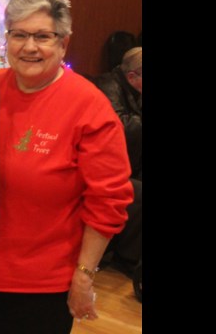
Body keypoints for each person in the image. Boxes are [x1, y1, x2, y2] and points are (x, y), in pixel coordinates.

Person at [0, 0, 134, 334]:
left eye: (42, 36)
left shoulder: (89, 107)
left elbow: (109, 201)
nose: (29, 47)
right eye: (18, 34)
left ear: (63, 43)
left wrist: (84, 276)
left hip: (43, 285)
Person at [93, 46, 142, 300]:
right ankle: (128, 258)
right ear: (133, 77)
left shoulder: (133, 88)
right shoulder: (107, 87)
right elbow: (118, 128)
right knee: (139, 193)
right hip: (103, 168)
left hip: (130, 162)